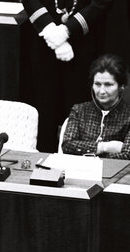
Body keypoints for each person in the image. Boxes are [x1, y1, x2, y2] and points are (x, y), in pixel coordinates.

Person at [21, 0, 114, 152]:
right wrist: (50, 30)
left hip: (85, 43)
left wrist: (66, 31)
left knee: (80, 111)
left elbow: (101, 3)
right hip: (44, 41)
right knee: (44, 110)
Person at [62, 53, 130, 159]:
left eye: (108, 85)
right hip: (78, 172)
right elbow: (67, 146)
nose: (101, 91)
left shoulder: (128, 116)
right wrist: (104, 147)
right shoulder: (79, 110)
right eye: (97, 84)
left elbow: (127, 155)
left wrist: (85, 151)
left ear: (121, 87)